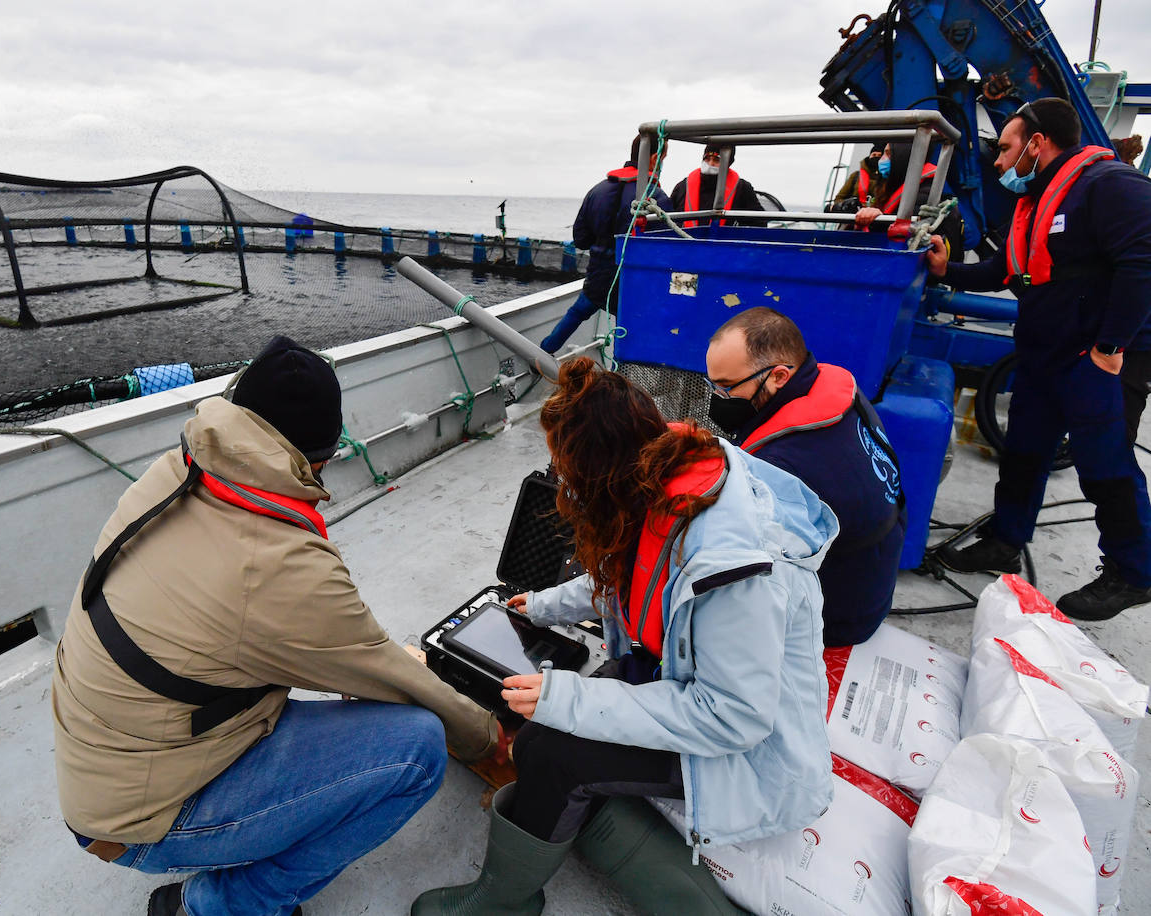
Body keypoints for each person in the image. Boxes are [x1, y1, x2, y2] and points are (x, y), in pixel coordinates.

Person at [52, 335, 498, 916]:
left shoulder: (176, 471)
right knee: (417, 750)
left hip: (108, 764)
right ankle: (217, 906)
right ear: (321, 457)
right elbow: (388, 675)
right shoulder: (278, 566)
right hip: (138, 818)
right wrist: (493, 740)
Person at [411, 357, 837, 916]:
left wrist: (569, 697)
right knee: (543, 737)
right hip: (680, 678)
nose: (566, 487)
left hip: (753, 750)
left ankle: (503, 903)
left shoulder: (735, 571)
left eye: (571, 475)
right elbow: (632, 573)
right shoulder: (670, 476)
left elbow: (735, 717)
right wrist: (542, 606)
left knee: (556, 753)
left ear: (603, 473)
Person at [925, 97, 1151, 621]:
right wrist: (947, 270)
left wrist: (1109, 349)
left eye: (1005, 148)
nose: (998, 161)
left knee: (1105, 465)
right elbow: (1006, 269)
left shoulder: (1109, 186)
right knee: (1025, 453)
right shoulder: (1036, 202)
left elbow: (1144, 262)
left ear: (1037, 142)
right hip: (1045, 353)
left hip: (1099, 358)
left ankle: (1134, 571)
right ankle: (1005, 538)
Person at [704, 307, 904, 646]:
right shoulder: (835, 394)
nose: (717, 399)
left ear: (779, 376)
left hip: (840, 616)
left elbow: (735, 557)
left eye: (726, 387)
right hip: (875, 579)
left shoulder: (784, 462)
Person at [540, 137, 673, 354]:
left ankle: (542, 354)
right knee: (634, 326)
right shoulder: (656, 198)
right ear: (655, 158)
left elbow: (581, 239)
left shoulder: (597, 191)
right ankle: (625, 374)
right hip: (633, 284)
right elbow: (666, 252)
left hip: (598, 277)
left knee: (577, 312)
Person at [853, 140, 964, 254]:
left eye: (888, 154)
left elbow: (908, 238)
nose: (882, 160)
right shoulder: (894, 187)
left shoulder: (924, 195)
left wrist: (877, 221)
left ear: (902, 157)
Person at [668, 145, 764, 228]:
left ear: (728, 163)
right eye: (707, 159)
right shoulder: (682, 187)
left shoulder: (742, 189)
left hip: (725, 245)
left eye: (716, 160)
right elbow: (668, 218)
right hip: (686, 244)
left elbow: (759, 223)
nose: (710, 164)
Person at [830, 141, 886, 210]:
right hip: (854, 215)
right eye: (874, 155)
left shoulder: (887, 178)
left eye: (880, 156)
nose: (876, 158)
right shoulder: (855, 176)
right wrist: (849, 205)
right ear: (869, 156)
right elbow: (839, 198)